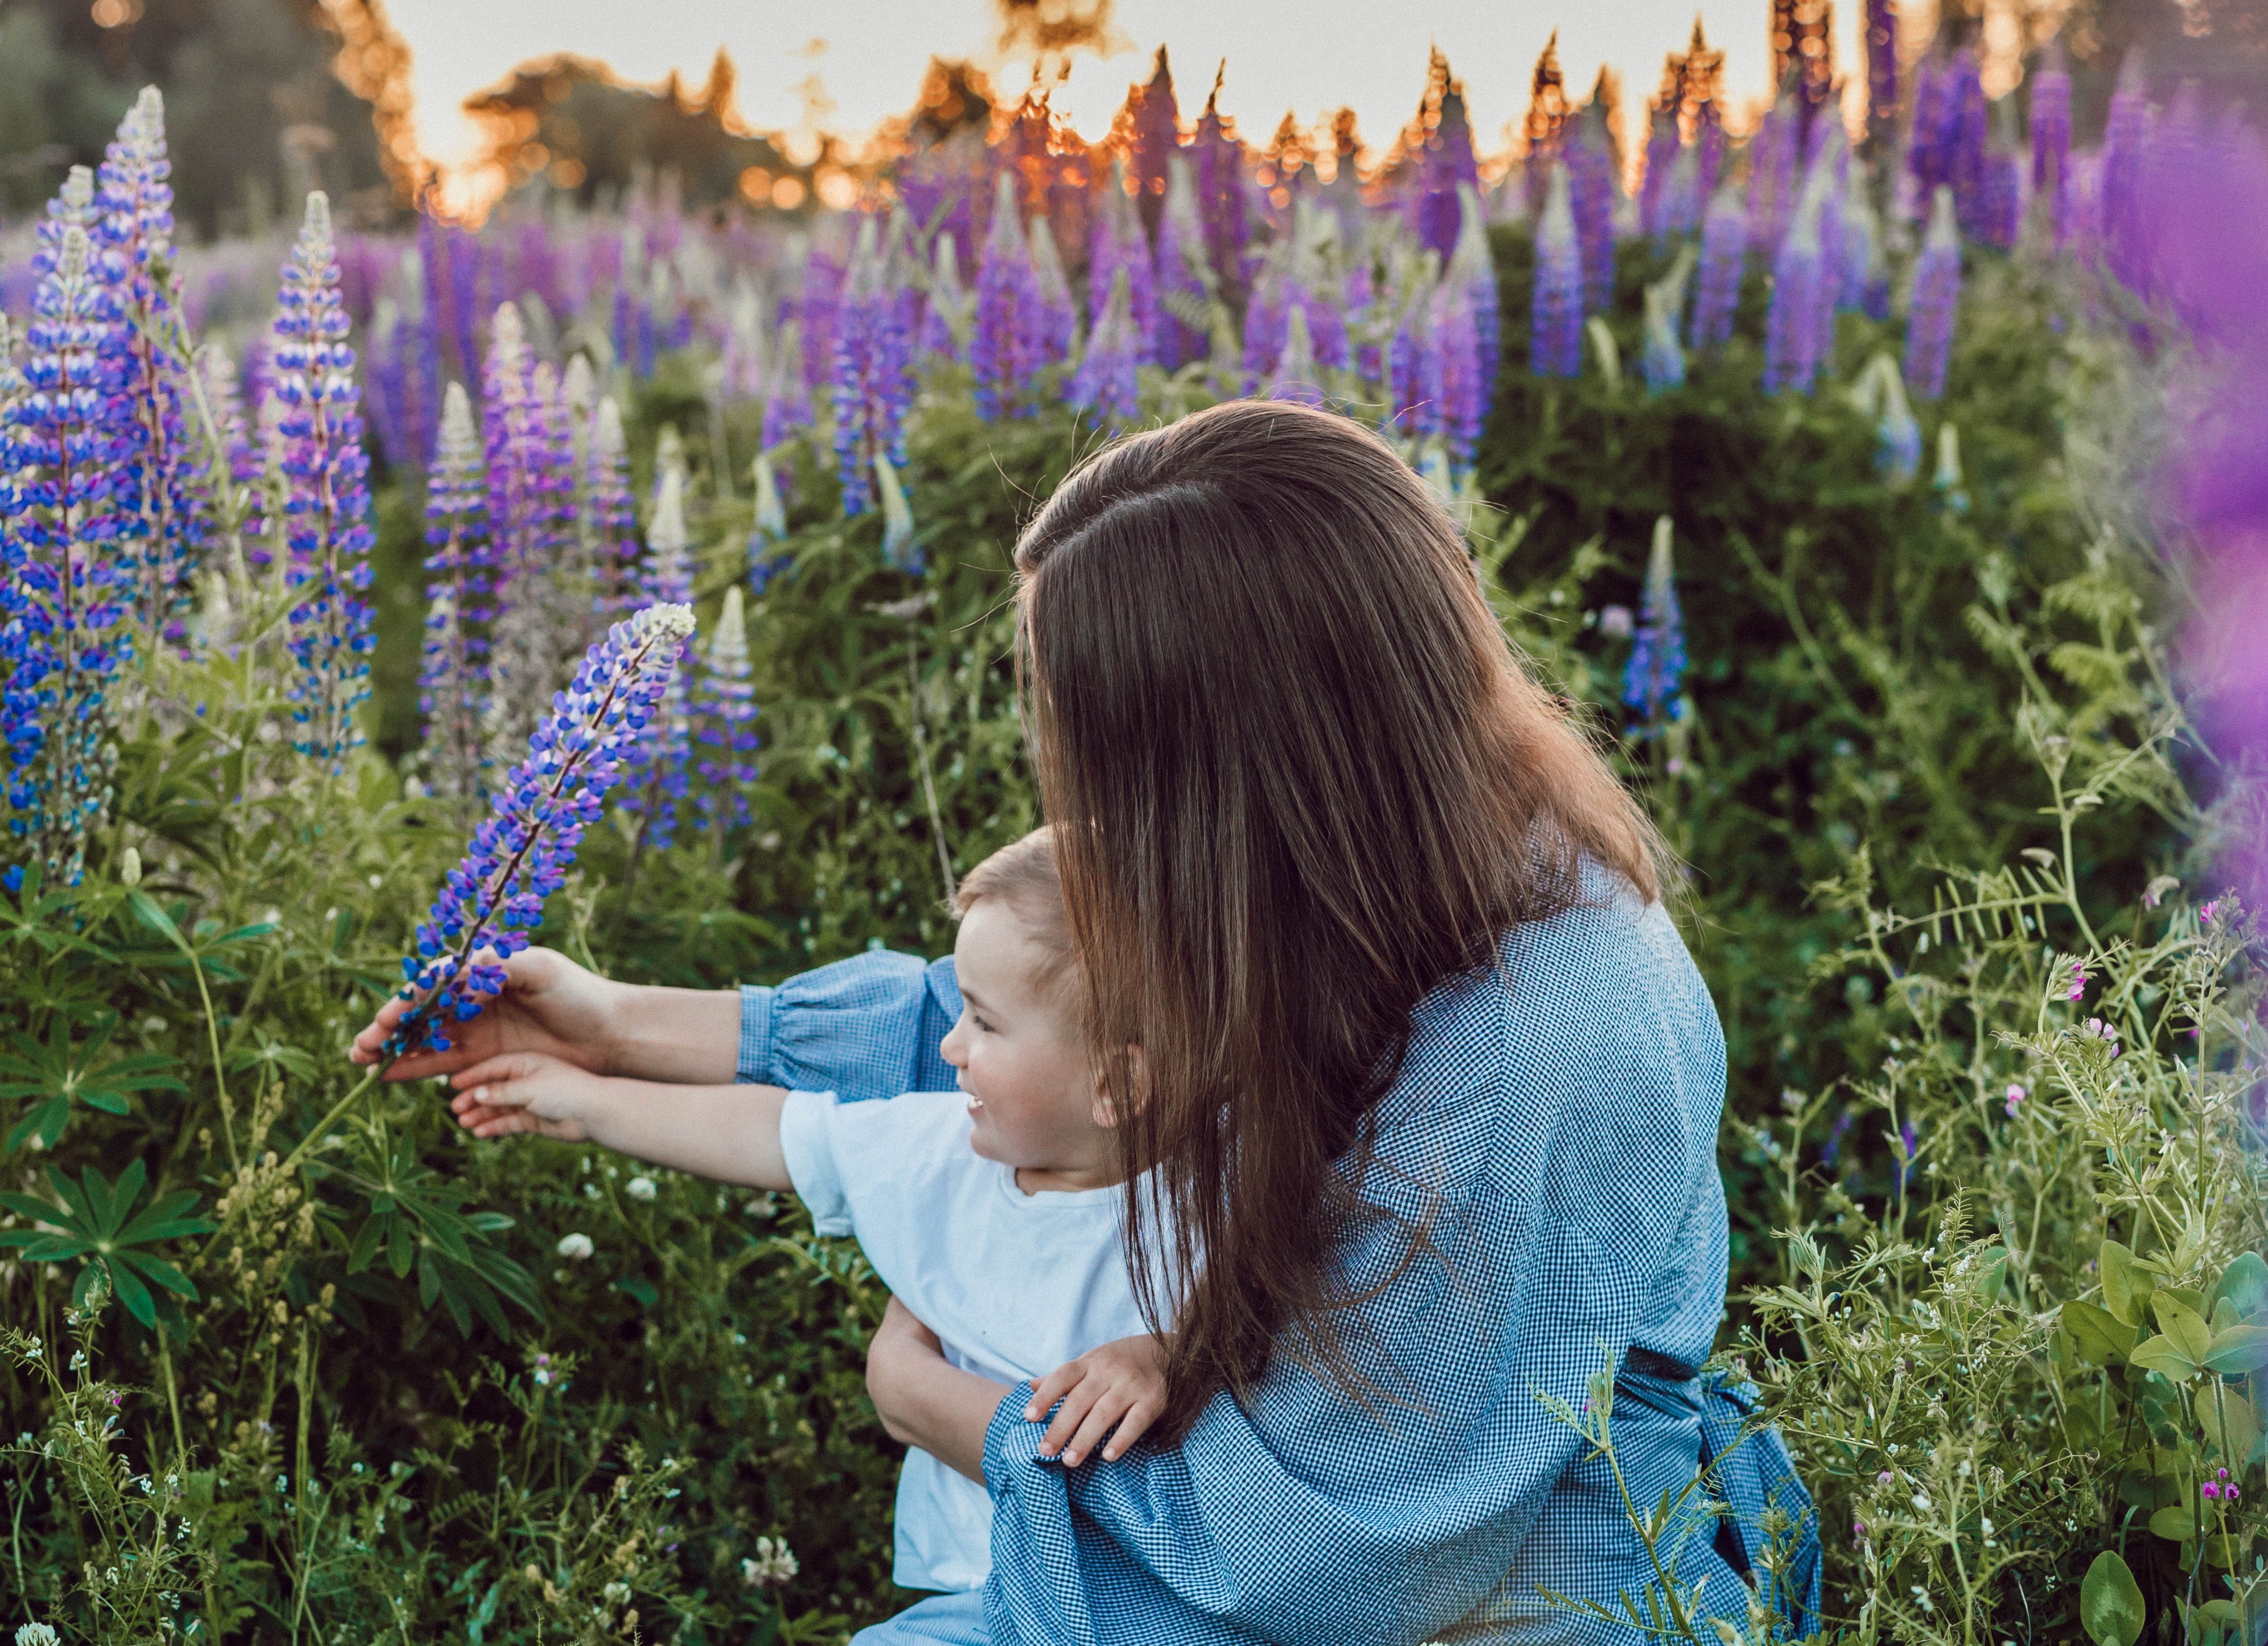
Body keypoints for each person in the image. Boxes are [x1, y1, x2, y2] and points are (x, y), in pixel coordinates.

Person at [358, 399, 1820, 1644]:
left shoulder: (1538, 1041)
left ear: (1248, 758)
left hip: (1485, 1596)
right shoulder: (1392, 866)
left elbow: (1329, 1556)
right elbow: (1033, 1017)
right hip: (1273, 1531)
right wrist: (613, 1023)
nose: (1083, 805)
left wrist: (953, 1412)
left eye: (1106, 753)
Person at [352, 830, 1172, 1620]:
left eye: (984, 1024)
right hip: (981, 1591)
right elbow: (777, 1131)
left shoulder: (1216, 1196)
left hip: (1154, 1601)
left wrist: (1163, 1353)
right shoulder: (941, 1147)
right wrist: (586, 1098)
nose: (949, 1047)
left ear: (1113, 1084)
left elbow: (1268, 1326)